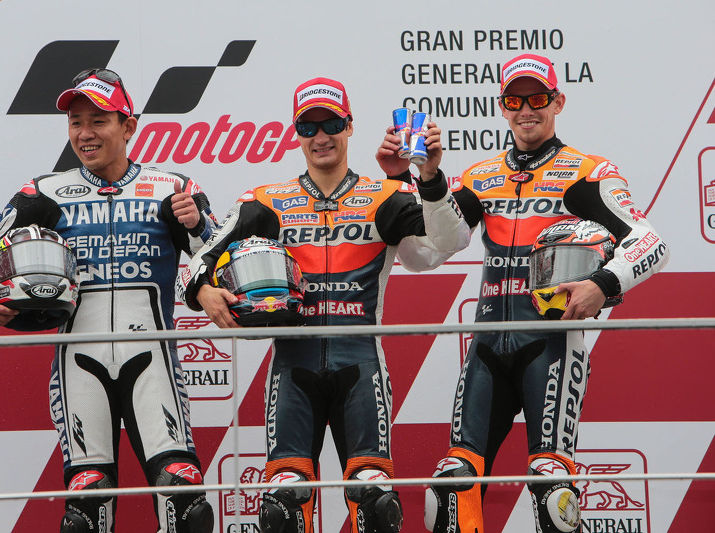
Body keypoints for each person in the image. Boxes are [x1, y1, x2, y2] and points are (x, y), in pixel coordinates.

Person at [179, 77, 471, 533]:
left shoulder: (386, 196)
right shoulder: (265, 202)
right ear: (296, 134)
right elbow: (203, 258)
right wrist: (202, 292)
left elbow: (449, 242)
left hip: (363, 365)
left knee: (376, 506)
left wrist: (429, 178)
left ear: (350, 127)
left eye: (331, 123)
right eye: (308, 126)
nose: (320, 136)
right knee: (282, 509)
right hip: (292, 369)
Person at [0, 68, 217, 533]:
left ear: (128, 125)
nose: (85, 133)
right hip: (79, 363)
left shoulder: (174, 189)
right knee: (86, 508)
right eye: (76, 121)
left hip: (153, 361)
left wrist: (197, 227)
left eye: (99, 120)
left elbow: (216, 264)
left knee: (186, 502)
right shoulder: (44, 193)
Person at [420, 54, 670, 533]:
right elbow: (434, 250)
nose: (526, 109)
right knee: (453, 488)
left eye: (537, 98)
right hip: (488, 343)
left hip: (551, 344)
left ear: (558, 101)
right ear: (502, 106)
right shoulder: (481, 175)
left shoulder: (587, 171)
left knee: (552, 487)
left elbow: (651, 243)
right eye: (515, 99)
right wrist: (429, 181)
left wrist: (603, 284)